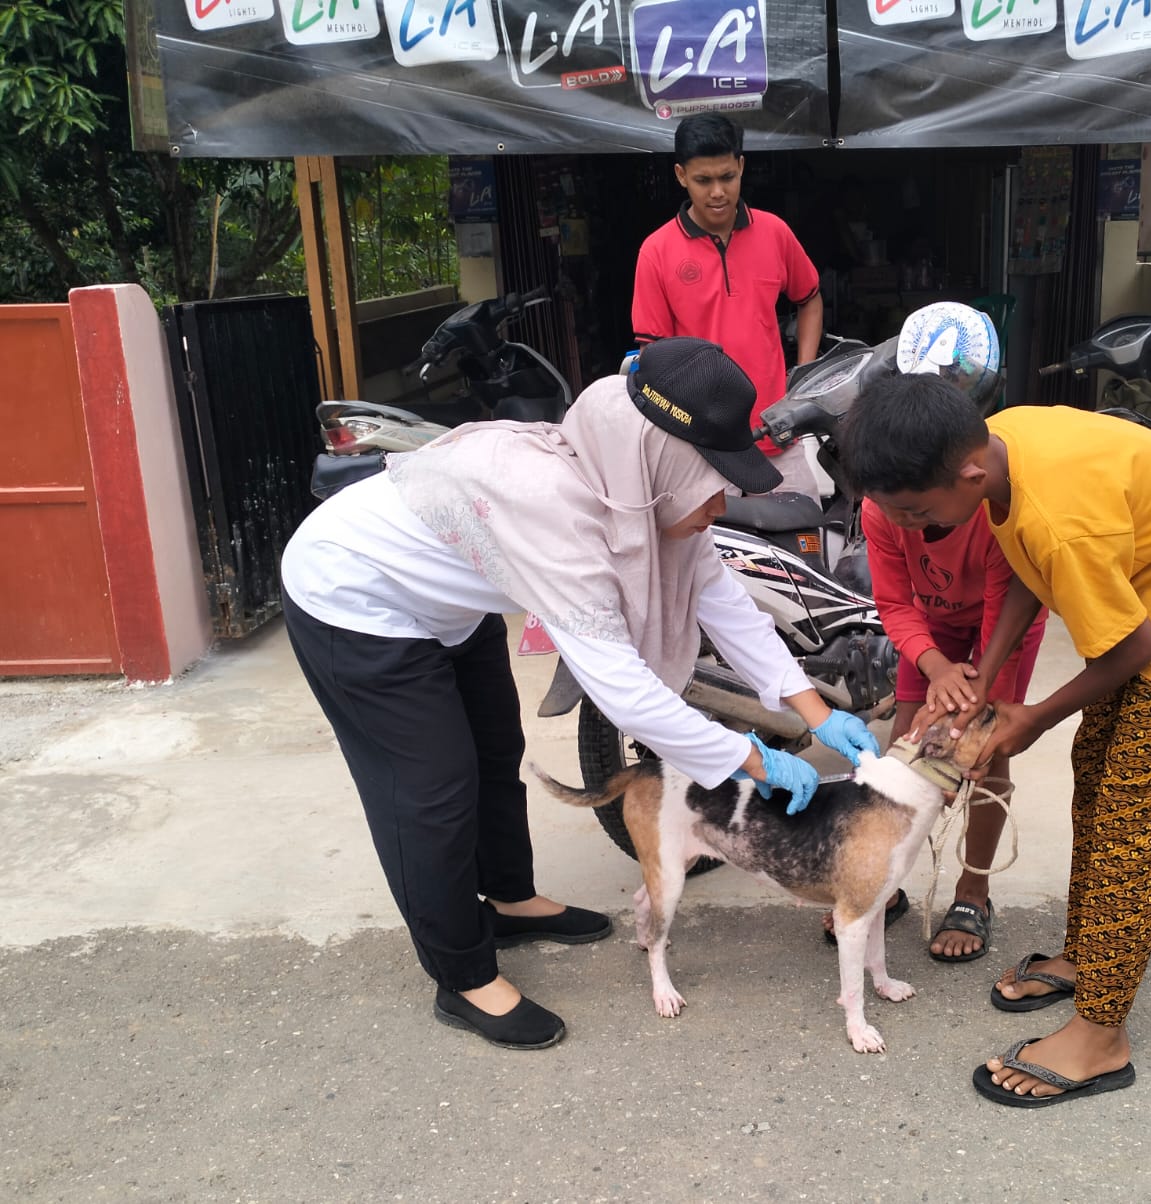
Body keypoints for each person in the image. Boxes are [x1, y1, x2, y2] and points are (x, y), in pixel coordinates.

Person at [279, 338, 879, 1052]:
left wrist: (814, 711)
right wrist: (749, 760)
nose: (719, 502)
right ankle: (461, 974)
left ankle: (508, 898)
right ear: (664, 463)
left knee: (496, 749)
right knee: (430, 791)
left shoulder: (633, 484)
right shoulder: (555, 511)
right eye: (711, 480)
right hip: (356, 598)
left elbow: (719, 596)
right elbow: (622, 689)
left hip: (447, 603)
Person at [838, 374, 1151, 1107]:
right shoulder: (1002, 451)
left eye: (917, 512)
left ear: (967, 475)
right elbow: (1030, 568)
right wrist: (984, 676)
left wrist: (1034, 714)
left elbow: (1130, 647)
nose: (909, 528)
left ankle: (1102, 1035)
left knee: (1136, 820)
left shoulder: (1061, 517)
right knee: (1096, 779)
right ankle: (1090, 956)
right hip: (1134, 585)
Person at [819, 497, 1048, 961]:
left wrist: (969, 717)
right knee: (904, 744)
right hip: (931, 627)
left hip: (1006, 622)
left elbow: (1004, 616)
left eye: (916, 509)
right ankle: (884, 882)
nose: (906, 521)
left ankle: (973, 889)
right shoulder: (880, 507)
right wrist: (936, 666)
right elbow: (896, 604)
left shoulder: (991, 511)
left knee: (989, 747)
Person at [632, 113, 824, 501]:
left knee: (801, 545)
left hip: (778, 436)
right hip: (703, 451)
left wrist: (800, 376)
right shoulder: (656, 251)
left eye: (727, 177)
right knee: (719, 560)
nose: (717, 192)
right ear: (681, 176)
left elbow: (810, 299)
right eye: (704, 180)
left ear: (741, 167)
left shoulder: (775, 232)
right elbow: (653, 356)